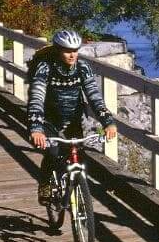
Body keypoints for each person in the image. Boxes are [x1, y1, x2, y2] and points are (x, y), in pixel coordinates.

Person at [28, 29, 118, 204]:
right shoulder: (45, 68)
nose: (72, 55)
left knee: (79, 156)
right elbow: (36, 98)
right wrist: (36, 128)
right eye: (67, 51)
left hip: (73, 119)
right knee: (53, 153)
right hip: (48, 120)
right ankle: (45, 184)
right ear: (57, 50)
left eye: (75, 50)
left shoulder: (82, 68)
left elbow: (94, 97)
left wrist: (108, 122)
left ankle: (78, 192)